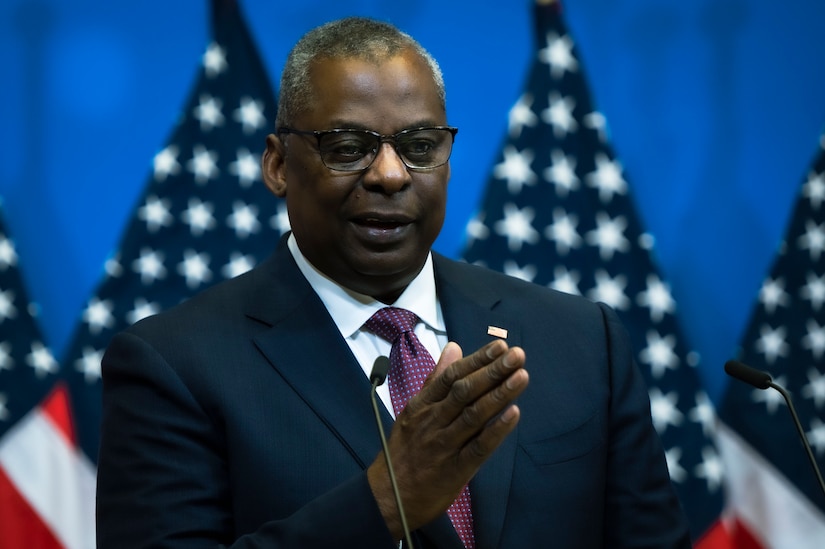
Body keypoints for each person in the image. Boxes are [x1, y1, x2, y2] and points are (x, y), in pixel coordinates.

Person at [96, 16, 691, 549]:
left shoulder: (583, 341)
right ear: (278, 165)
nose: (389, 174)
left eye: (419, 146)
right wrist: (386, 499)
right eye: (349, 147)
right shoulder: (173, 366)